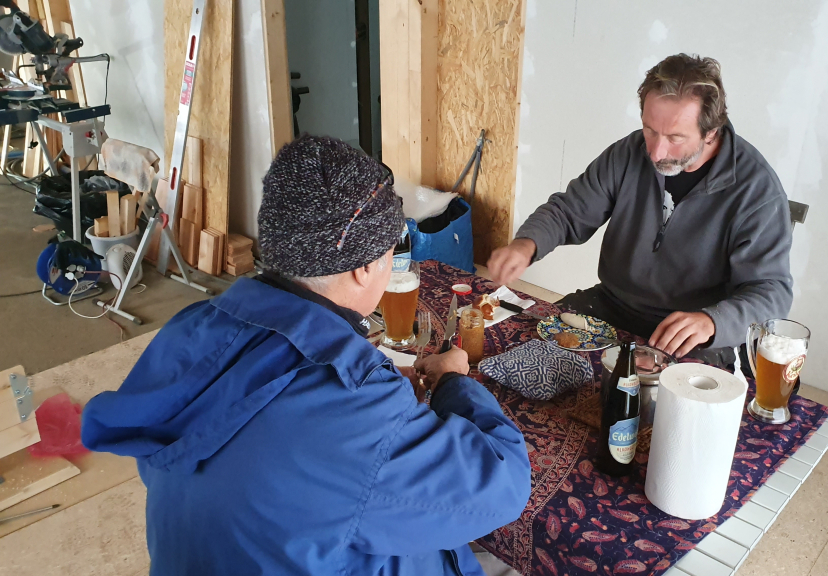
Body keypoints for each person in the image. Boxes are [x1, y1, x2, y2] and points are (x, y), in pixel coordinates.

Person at [80, 136, 532, 576]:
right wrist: (455, 381)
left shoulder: (190, 327)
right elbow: (503, 485)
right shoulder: (352, 407)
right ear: (364, 268)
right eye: (393, 248)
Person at [488, 53, 793, 366]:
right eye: (650, 130)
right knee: (531, 350)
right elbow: (569, 211)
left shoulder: (758, 190)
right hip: (615, 305)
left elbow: (771, 292)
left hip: (695, 332)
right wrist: (527, 244)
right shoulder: (628, 153)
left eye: (675, 137)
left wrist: (712, 322)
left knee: (659, 406)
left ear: (711, 131)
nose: (657, 152)